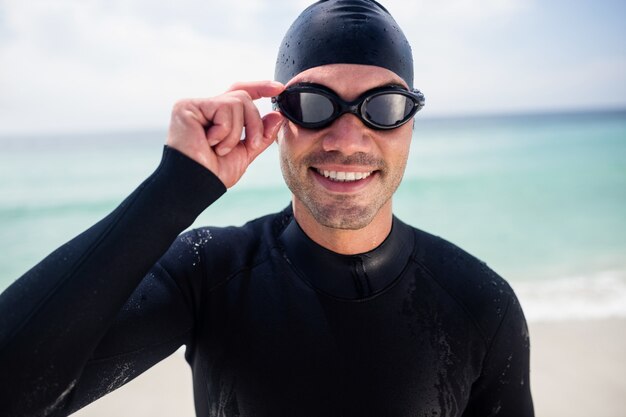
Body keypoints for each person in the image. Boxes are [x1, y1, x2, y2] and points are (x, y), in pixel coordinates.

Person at [0, 1, 534, 416]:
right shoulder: (207, 274)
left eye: (384, 107)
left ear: (411, 121)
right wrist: (174, 188)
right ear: (278, 118)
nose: (347, 139)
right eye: (314, 104)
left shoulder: (481, 305)